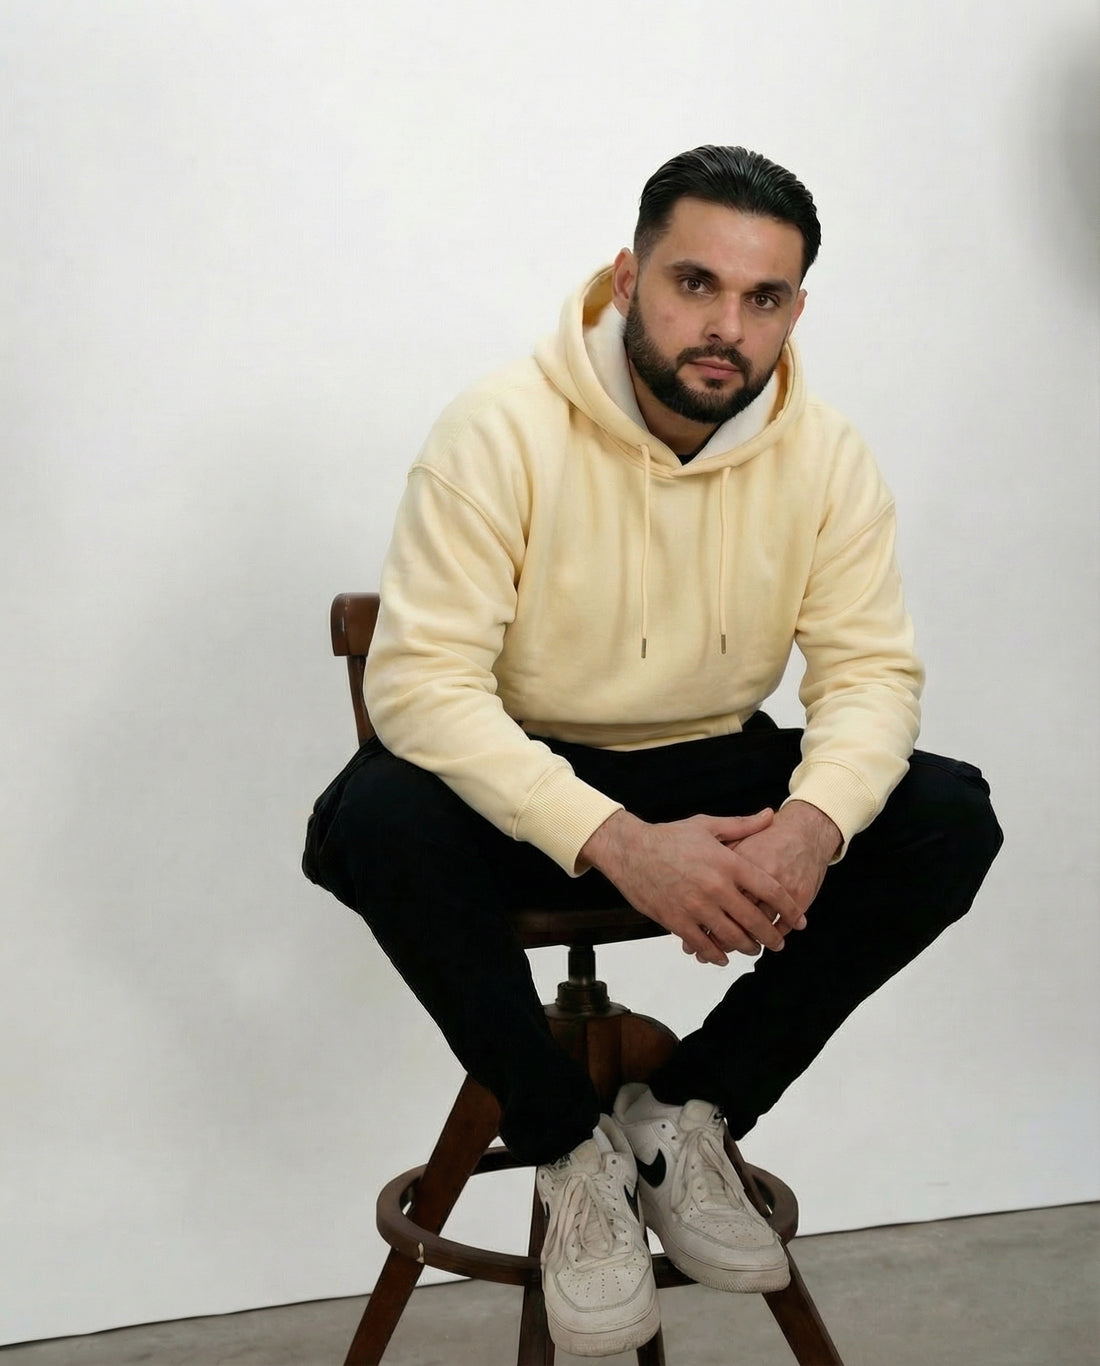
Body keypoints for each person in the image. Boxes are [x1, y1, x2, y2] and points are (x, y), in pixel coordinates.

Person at [303, 145, 1003, 1358]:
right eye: (693, 284)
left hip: (709, 767)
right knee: (375, 818)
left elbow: (869, 676)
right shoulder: (496, 428)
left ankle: (686, 1111)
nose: (725, 327)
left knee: (944, 812)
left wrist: (808, 828)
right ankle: (563, 1140)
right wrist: (620, 844)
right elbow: (419, 684)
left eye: (762, 297)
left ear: (793, 312)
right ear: (627, 279)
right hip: (526, 789)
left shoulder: (825, 454)